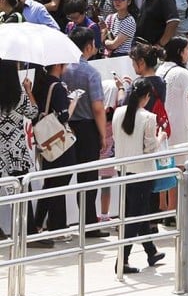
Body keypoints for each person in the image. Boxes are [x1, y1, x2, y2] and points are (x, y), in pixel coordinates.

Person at [110, 78, 166, 273]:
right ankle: (122, 260)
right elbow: (150, 148)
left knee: (135, 212)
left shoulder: (118, 112)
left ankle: (151, 251)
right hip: (142, 171)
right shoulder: (148, 117)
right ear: (146, 97)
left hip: (123, 169)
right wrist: (161, 137)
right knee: (137, 214)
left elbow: (118, 139)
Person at [62, 28, 109, 238]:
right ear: (88, 46)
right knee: (88, 178)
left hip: (65, 127)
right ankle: (89, 224)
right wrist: (102, 134)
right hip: (87, 127)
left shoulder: (61, 68)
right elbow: (98, 107)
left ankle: (57, 223)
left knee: (59, 177)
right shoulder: (90, 72)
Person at [27, 62, 77, 241]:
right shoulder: (57, 87)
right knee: (60, 181)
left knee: (51, 181)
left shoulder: (41, 84)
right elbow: (64, 116)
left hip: (46, 141)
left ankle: (41, 223)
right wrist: (73, 103)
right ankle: (56, 227)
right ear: (58, 65)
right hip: (59, 142)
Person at [0, 61, 39, 241]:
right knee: (23, 190)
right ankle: (28, 231)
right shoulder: (18, 95)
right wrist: (29, 90)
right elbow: (33, 113)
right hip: (17, 151)